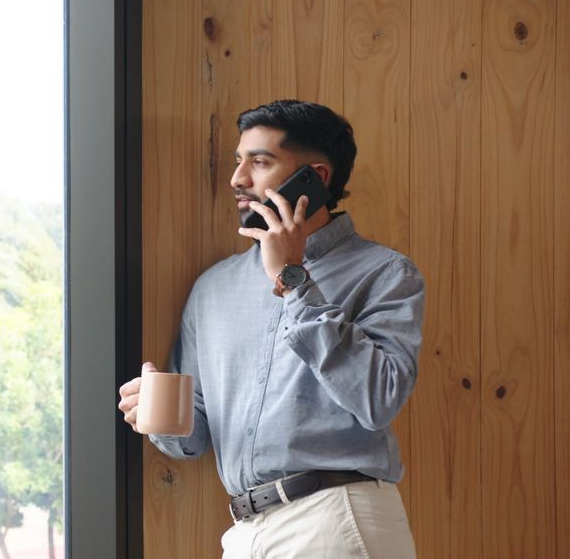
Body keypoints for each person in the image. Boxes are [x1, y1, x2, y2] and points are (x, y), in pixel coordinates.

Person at [117, 100, 425, 558]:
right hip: (245, 530)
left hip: (335, 517)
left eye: (259, 162)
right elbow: (192, 437)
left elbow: (379, 399)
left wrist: (294, 280)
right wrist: (155, 415)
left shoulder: (385, 273)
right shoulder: (214, 287)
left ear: (315, 179)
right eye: (238, 161)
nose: (238, 179)